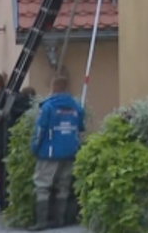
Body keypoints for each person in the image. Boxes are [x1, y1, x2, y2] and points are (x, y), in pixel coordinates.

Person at [29, 77, 84, 231]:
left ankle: (42, 221)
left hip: (49, 152)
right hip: (70, 152)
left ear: (53, 88)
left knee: (42, 185)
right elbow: (80, 127)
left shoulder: (48, 107)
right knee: (63, 186)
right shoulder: (77, 107)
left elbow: (40, 131)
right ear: (67, 88)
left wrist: (35, 148)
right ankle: (60, 219)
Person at [0, 81, 34, 212]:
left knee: (4, 173)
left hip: (3, 143)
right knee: (2, 173)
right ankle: (3, 200)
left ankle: (4, 201)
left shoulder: (9, 99)